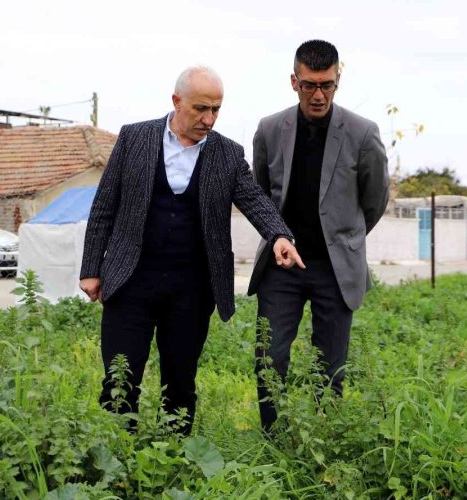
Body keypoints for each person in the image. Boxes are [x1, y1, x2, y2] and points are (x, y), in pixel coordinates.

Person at [79, 66, 304, 434]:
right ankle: (115, 461)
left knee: (180, 383)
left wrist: (279, 235)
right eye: (201, 108)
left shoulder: (227, 154)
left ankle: (172, 460)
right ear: (176, 101)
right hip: (130, 280)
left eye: (216, 109)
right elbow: (105, 205)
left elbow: (254, 200)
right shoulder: (134, 138)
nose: (209, 119)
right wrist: (91, 268)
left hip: (192, 290)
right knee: (120, 379)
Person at [248, 40, 390, 431]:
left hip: (335, 269)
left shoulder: (362, 133)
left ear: (337, 82)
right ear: (293, 82)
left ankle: (323, 441)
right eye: (309, 85)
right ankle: (273, 440)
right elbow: (260, 195)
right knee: (269, 357)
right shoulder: (270, 129)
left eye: (326, 85)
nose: (318, 94)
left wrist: (345, 239)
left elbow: (375, 199)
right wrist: (277, 236)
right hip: (282, 267)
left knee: (331, 366)